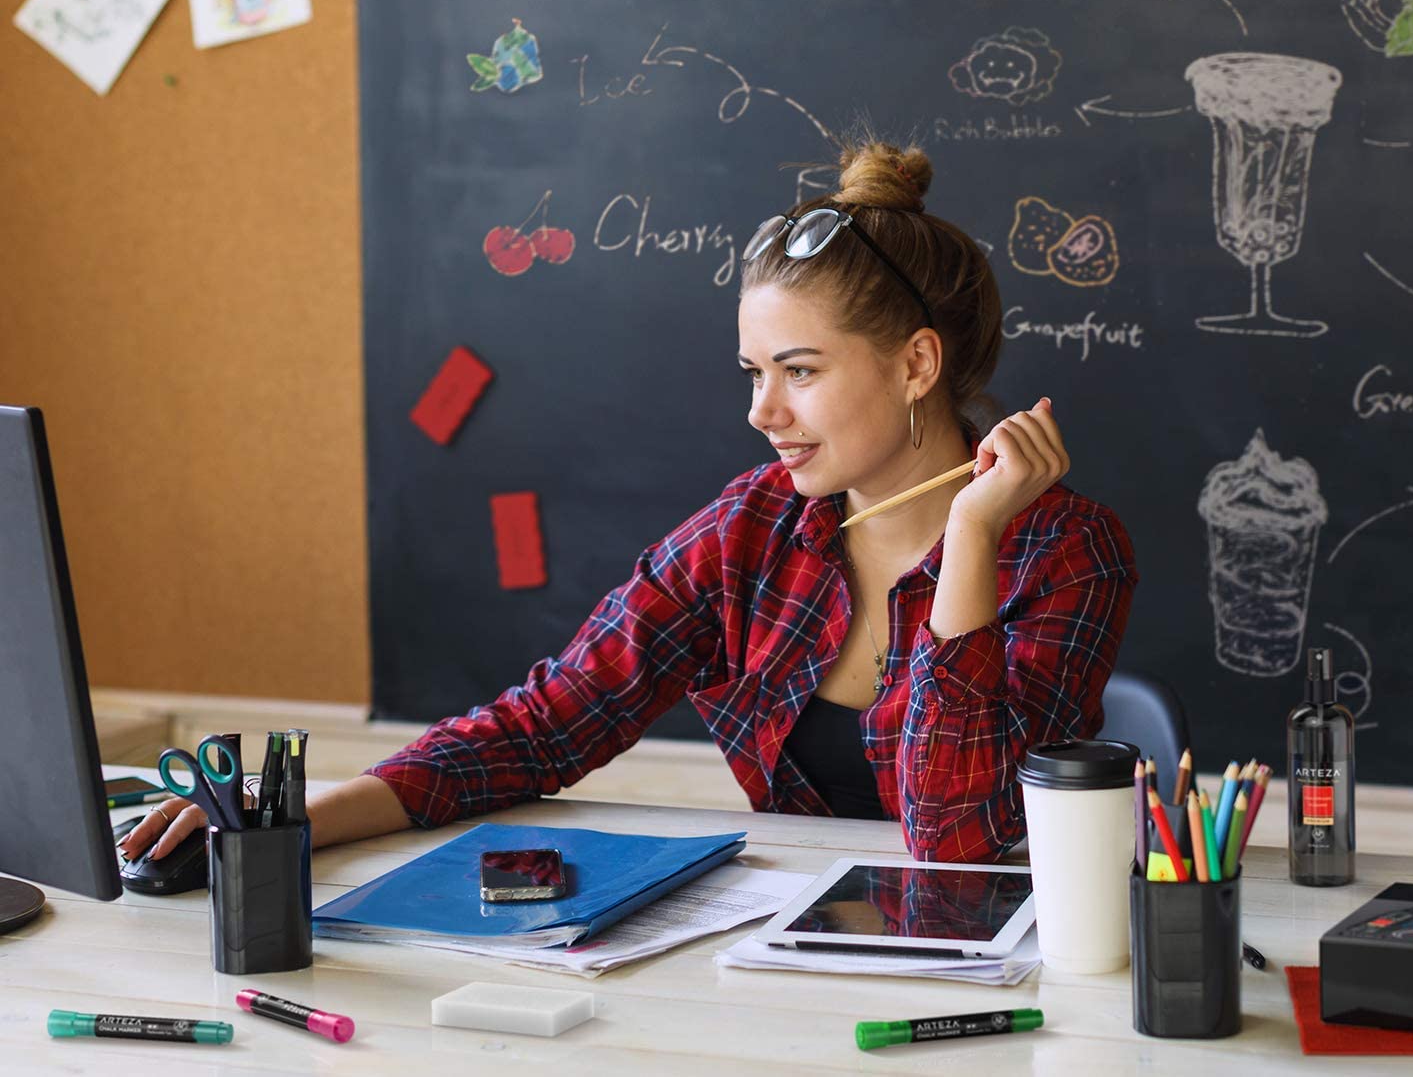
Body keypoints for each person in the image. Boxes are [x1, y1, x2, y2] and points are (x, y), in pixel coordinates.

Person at [123, 137, 1138, 866]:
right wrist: (289, 816)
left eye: (798, 370)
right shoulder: (754, 533)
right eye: (751, 373)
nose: (763, 412)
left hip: (1001, 974)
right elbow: (549, 723)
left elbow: (954, 840)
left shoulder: (1068, 554)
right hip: (789, 954)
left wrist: (969, 539)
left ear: (918, 363)